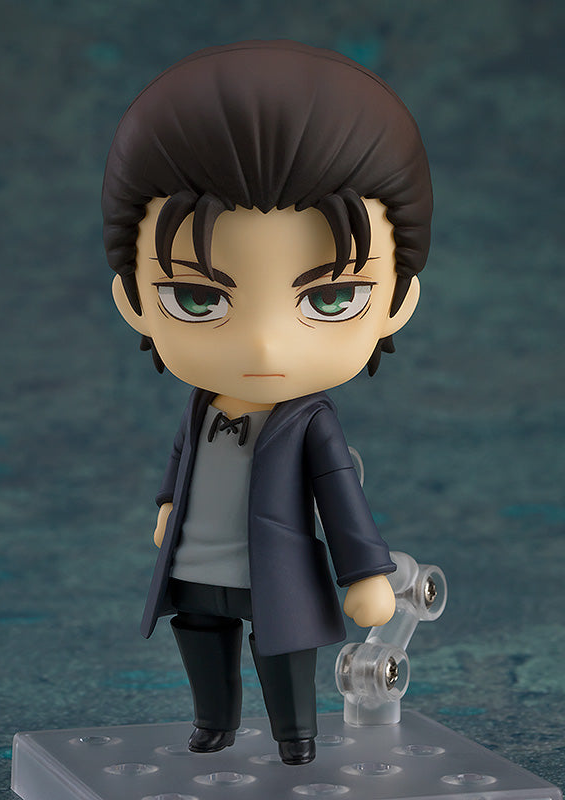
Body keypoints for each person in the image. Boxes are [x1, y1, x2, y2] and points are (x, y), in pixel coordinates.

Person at [102, 39, 432, 765]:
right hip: (196, 562)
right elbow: (184, 456)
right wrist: (168, 503)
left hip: (270, 569)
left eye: (331, 298)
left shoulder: (310, 420)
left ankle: (295, 735)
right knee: (200, 636)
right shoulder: (200, 404)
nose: (264, 344)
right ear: (133, 299)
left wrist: (365, 573)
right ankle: (212, 723)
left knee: (281, 649)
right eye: (197, 298)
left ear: (398, 302)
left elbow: (340, 497)